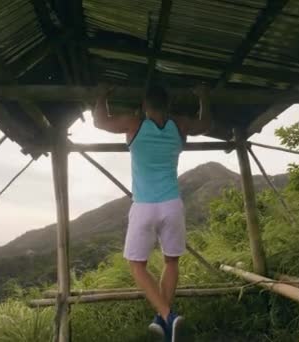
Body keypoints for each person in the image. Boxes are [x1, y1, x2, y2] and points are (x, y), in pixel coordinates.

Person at [93, 84, 211, 341]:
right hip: (172, 204)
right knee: (171, 261)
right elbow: (205, 124)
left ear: (146, 106)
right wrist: (203, 98)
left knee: (137, 266)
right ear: (167, 106)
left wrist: (102, 95)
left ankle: (168, 316)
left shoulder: (135, 124)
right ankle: (162, 320)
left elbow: (100, 121)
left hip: (144, 206)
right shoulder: (179, 125)